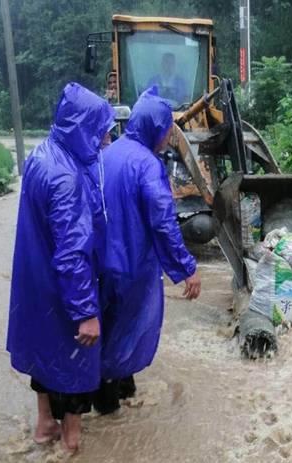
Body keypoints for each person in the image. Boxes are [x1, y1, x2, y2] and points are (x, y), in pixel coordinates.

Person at [7, 82, 115, 453]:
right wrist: (86, 312)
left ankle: (43, 425)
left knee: (44, 352)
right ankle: (70, 441)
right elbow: (72, 253)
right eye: (101, 130)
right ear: (83, 128)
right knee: (77, 362)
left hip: (37, 282)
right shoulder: (68, 178)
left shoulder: (42, 155)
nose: (105, 139)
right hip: (65, 290)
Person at [93, 86, 200, 414]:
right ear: (155, 127)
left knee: (109, 330)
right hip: (131, 267)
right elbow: (164, 223)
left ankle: (121, 392)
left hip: (99, 264)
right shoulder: (148, 166)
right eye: (167, 129)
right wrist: (186, 269)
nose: (169, 137)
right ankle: (110, 415)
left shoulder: (106, 154)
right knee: (127, 331)